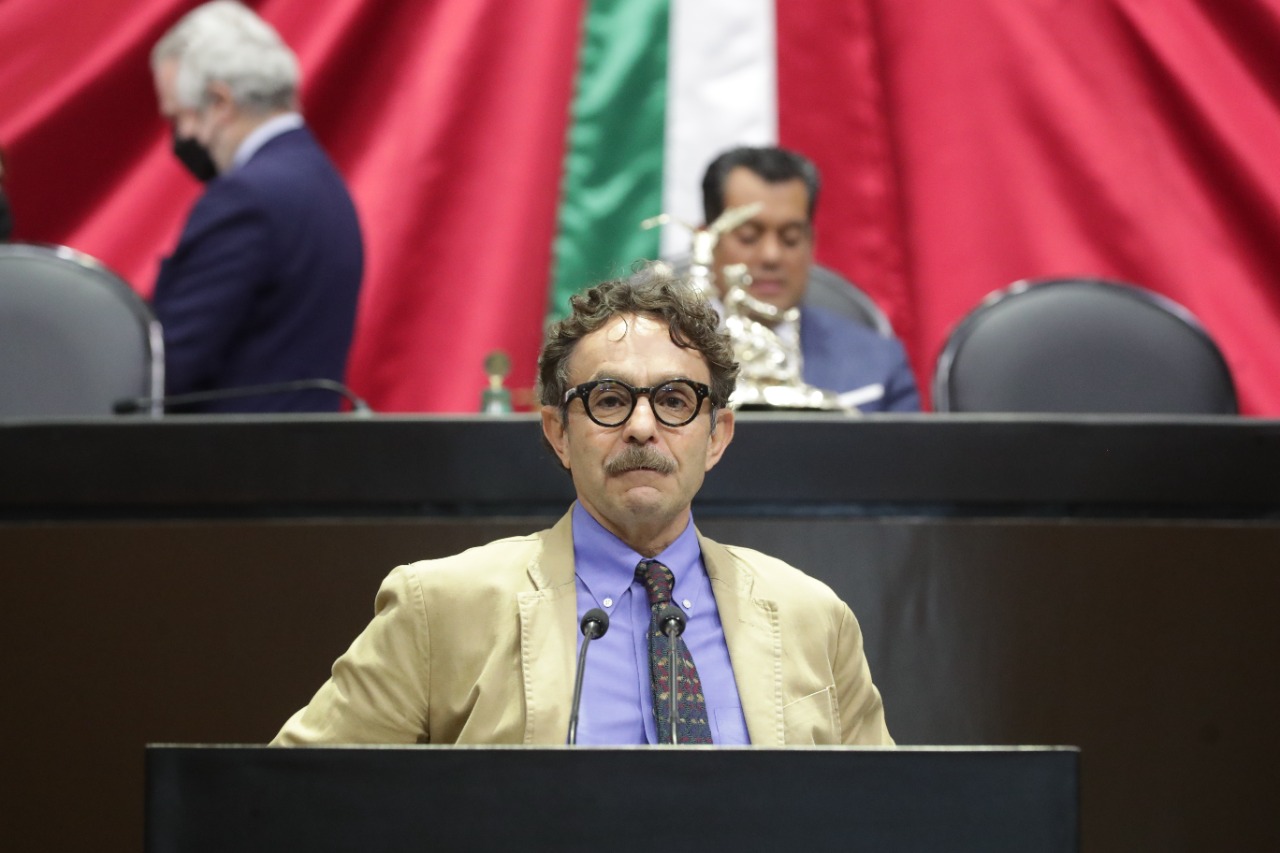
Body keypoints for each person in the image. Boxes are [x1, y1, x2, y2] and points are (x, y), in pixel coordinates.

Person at [273, 265, 891, 746]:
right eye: (609, 400)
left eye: (674, 401)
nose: (642, 427)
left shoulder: (812, 617)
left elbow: (884, 818)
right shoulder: (439, 609)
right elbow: (290, 800)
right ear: (558, 433)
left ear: (717, 436)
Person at [150, 1, 363, 412]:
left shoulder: (245, 199)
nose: (183, 136)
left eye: (180, 117)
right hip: (303, 445)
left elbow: (170, 366)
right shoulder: (324, 181)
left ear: (220, 102)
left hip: (231, 451)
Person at [702, 146, 920, 412]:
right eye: (748, 236)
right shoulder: (660, 351)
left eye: (791, 238)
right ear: (707, 240)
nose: (771, 256)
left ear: (811, 244)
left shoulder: (878, 363)